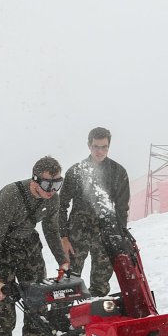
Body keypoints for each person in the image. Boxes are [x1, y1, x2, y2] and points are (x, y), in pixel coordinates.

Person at [0, 156, 70, 336]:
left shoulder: (52, 199)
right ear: (35, 181)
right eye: (47, 185)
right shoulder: (10, 195)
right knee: (4, 316)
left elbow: (51, 230)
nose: (52, 191)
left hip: (29, 248)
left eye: (57, 185)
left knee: (38, 308)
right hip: (1, 250)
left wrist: (62, 258)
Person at [57, 127, 130, 297]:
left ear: (109, 147)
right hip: (77, 233)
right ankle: (66, 317)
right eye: (96, 146)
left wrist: (119, 236)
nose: (100, 151)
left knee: (100, 285)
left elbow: (122, 208)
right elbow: (61, 206)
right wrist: (64, 237)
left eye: (104, 147)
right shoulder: (75, 171)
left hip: (105, 233)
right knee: (69, 282)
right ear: (89, 145)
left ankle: (97, 320)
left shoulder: (118, 172)